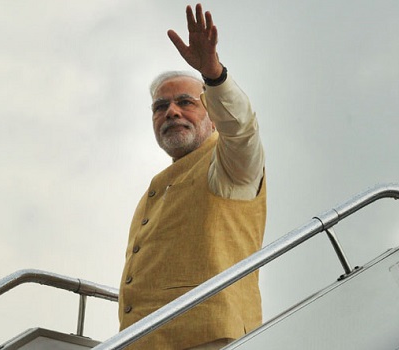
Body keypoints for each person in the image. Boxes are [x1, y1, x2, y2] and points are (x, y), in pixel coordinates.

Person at [118, 3, 266, 350]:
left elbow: (242, 129)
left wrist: (213, 73)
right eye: (160, 106)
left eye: (186, 102)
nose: (171, 111)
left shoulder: (229, 166)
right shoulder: (156, 188)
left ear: (212, 115)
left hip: (212, 339)